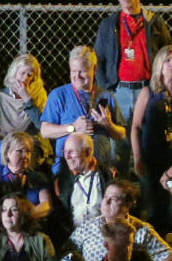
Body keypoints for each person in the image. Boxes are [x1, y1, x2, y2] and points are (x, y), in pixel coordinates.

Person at [40, 45, 126, 175]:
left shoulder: (106, 96)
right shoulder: (59, 95)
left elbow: (121, 134)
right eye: (73, 71)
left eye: (82, 71)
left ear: (94, 69)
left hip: (99, 168)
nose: (77, 76)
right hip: (69, 169)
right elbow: (45, 131)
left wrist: (108, 125)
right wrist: (73, 128)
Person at [94, 0, 171, 124]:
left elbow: (168, 53)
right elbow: (98, 59)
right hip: (119, 91)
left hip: (148, 90)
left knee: (147, 138)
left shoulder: (155, 22)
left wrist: (161, 86)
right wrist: (107, 87)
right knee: (119, 139)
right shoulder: (109, 24)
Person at [69, 180, 172, 261]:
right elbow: (68, 252)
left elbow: (168, 259)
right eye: (105, 197)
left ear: (127, 205)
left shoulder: (141, 231)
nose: (106, 202)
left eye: (113, 199)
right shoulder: (88, 226)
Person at [131, 44, 172, 232]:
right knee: (151, 206)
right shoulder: (148, 93)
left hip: (170, 164)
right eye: (168, 61)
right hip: (150, 160)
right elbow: (136, 126)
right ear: (159, 65)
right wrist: (138, 158)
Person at [55, 133, 112, 232]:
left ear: (87, 152)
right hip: (73, 235)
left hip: (102, 233)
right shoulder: (61, 180)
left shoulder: (107, 175)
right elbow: (60, 216)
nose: (67, 156)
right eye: (65, 152)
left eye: (72, 151)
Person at [0, 131, 53, 214]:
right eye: (20, 151)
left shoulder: (38, 177)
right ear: (7, 153)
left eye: (28, 151)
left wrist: (25, 217)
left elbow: (46, 206)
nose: (25, 156)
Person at [0, 53, 48, 139]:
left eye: (29, 75)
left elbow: (41, 125)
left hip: (30, 140)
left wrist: (27, 98)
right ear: (14, 72)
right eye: (22, 73)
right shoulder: (0, 97)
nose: (25, 78)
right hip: (4, 140)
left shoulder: (39, 94)